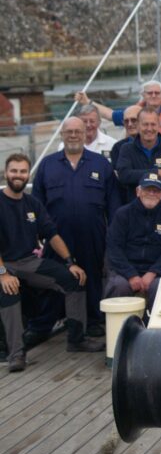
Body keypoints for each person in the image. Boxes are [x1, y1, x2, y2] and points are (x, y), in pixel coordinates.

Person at [0, 154, 104, 371]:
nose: (18, 175)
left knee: (74, 279)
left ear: (28, 174)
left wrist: (70, 262)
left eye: (22, 171)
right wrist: (3, 273)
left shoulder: (32, 203)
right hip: (3, 264)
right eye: (14, 171)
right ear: (5, 173)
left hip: (28, 262)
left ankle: (77, 339)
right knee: (8, 292)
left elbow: (52, 234)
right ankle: (16, 354)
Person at [30, 116, 120, 338]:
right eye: (68, 131)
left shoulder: (101, 164)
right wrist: (38, 234)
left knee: (91, 277)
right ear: (62, 134)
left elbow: (113, 203)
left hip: (93, 235)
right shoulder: (47, 165)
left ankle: (91, 322)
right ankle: (51, 322)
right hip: (56, 237)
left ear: (85, 133)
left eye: (77, 131)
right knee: (56, 280)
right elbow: (37, 203)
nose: (73, 135)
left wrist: (112, 236)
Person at [104, 170, 161, 311]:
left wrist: (153, 273)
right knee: (118, 286)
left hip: (157, 272)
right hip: (125, 270)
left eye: (156, 190)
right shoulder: (123, 214)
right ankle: (119, 329)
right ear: (138, 191)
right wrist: (131, 275)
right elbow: (114, 248)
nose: (151, 194)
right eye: (147, 189)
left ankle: (153, 330)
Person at [115, 107, 161, 211]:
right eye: (145, 124)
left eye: (153, 124)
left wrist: (138, 177)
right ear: (137, 125)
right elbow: (124, 176)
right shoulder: (126, 149)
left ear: (159, 125)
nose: (149, 129)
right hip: (135, 212)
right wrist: (158, 173)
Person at [76, 80, 161, 140]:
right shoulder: (132, 112)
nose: (153, 95)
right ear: (143, 95)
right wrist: (87, 101)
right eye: (150, 93)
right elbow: (109, 115)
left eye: (157, 93)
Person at [110, 105, 142, 203]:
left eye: (133, 120)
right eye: (126, 121)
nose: (129, 124)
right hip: (127, 202)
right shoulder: (117, 148)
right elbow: (122, 178)